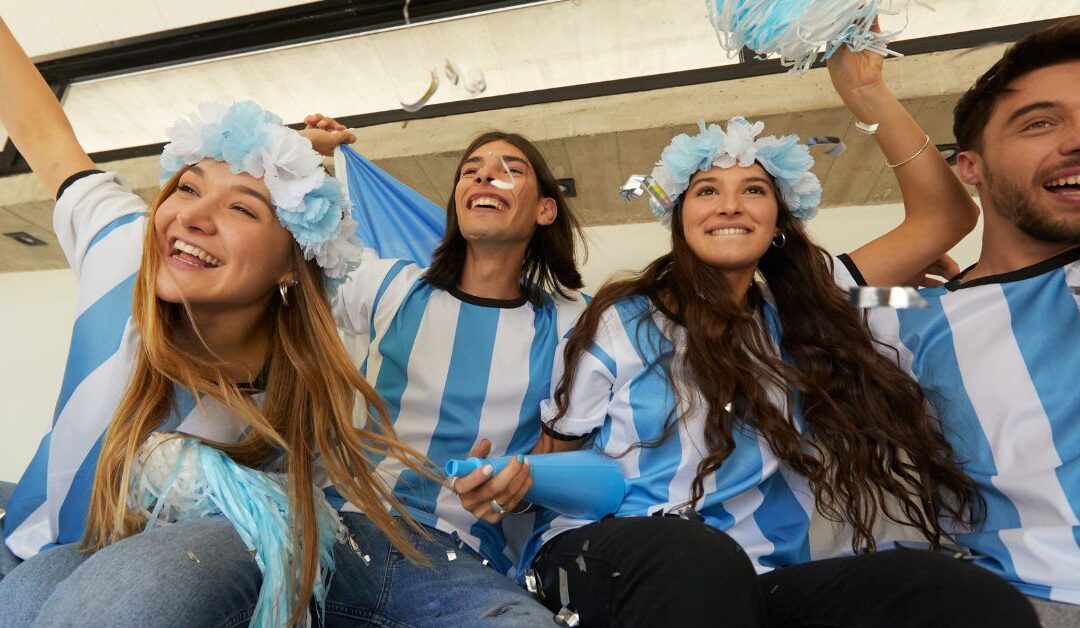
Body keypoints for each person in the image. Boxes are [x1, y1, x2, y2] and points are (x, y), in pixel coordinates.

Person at [456, 32, 1040, 627]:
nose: (730, 205)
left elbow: (947, 217)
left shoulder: (807, 305)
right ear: (681, 219)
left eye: (753, 190)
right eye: (707, 191)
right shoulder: (618, 318)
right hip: (606, 555)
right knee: (695, 560)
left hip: (756, 576)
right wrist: (511, 484)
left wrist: (867, 90)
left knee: (950, 594)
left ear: (778, 223)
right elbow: (556, 456)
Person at [0, 17, 431, 627]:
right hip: (22, 546)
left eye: (240, 210)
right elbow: (39, 127)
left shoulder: (300, 398)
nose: (193, 218)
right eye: (186, 188)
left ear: (291, 264)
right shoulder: (125, 247)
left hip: (136, 590)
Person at [297, 115, 589, 623]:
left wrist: (517, 493)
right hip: (336, 528)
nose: (484, 175)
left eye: (510, 169)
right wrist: (299, 155)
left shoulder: (572, 324)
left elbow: (567, 470)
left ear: (545, 208)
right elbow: (276, 254)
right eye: (471, 169)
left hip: (460, 560)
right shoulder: (390, 285)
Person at [844, 17, 1080, 626]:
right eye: (1041, 122)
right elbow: (812, 304)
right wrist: (868, 93)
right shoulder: (922, 309)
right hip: (1007, 599)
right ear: (970, 167)